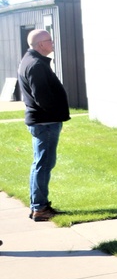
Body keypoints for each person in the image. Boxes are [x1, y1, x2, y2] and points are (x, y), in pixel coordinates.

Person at [17, 29, 70, 222]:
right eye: (49, 40)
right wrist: (57, 112)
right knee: (43, 164)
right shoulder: (36, 65)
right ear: (40, 45)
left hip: (43, 122)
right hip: (45, 123)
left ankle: (39, 205)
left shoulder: (31, 61)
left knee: (42, 163)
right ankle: (39, 208)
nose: (53, 42)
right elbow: (43, 98)